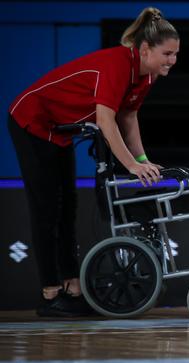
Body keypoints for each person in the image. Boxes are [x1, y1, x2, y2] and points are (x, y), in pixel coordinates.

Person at [7, 7, 179, 316]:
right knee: (47, 209)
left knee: (68, 206)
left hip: (60, 132)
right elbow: (106, 120)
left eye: (175, 54)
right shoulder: (116, 65)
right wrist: (130, 166)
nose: (172, 61)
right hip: (31, 122)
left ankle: (72, 286)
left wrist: (142, 159)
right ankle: (50, 294)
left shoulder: (148, 75)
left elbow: (128, 116)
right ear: (144, 49)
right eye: (167, 53)